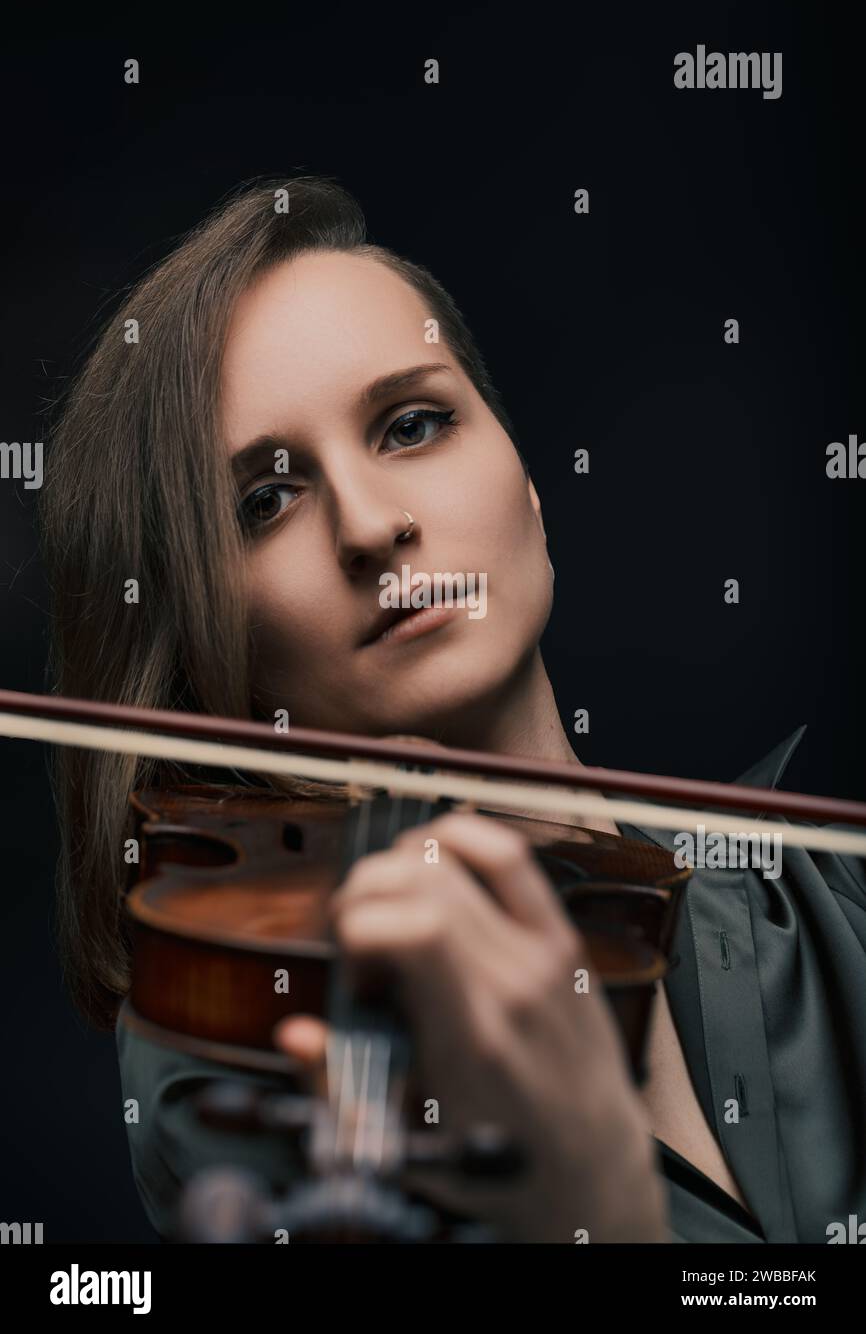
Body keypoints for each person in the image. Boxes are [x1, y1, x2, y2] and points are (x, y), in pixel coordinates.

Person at [39, 175, 866, 1243]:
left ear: (522, 481)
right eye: (265, 499)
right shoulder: (254, 1043)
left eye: (411, 425)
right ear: (204, 641)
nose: (372, 525)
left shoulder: (824, 897)